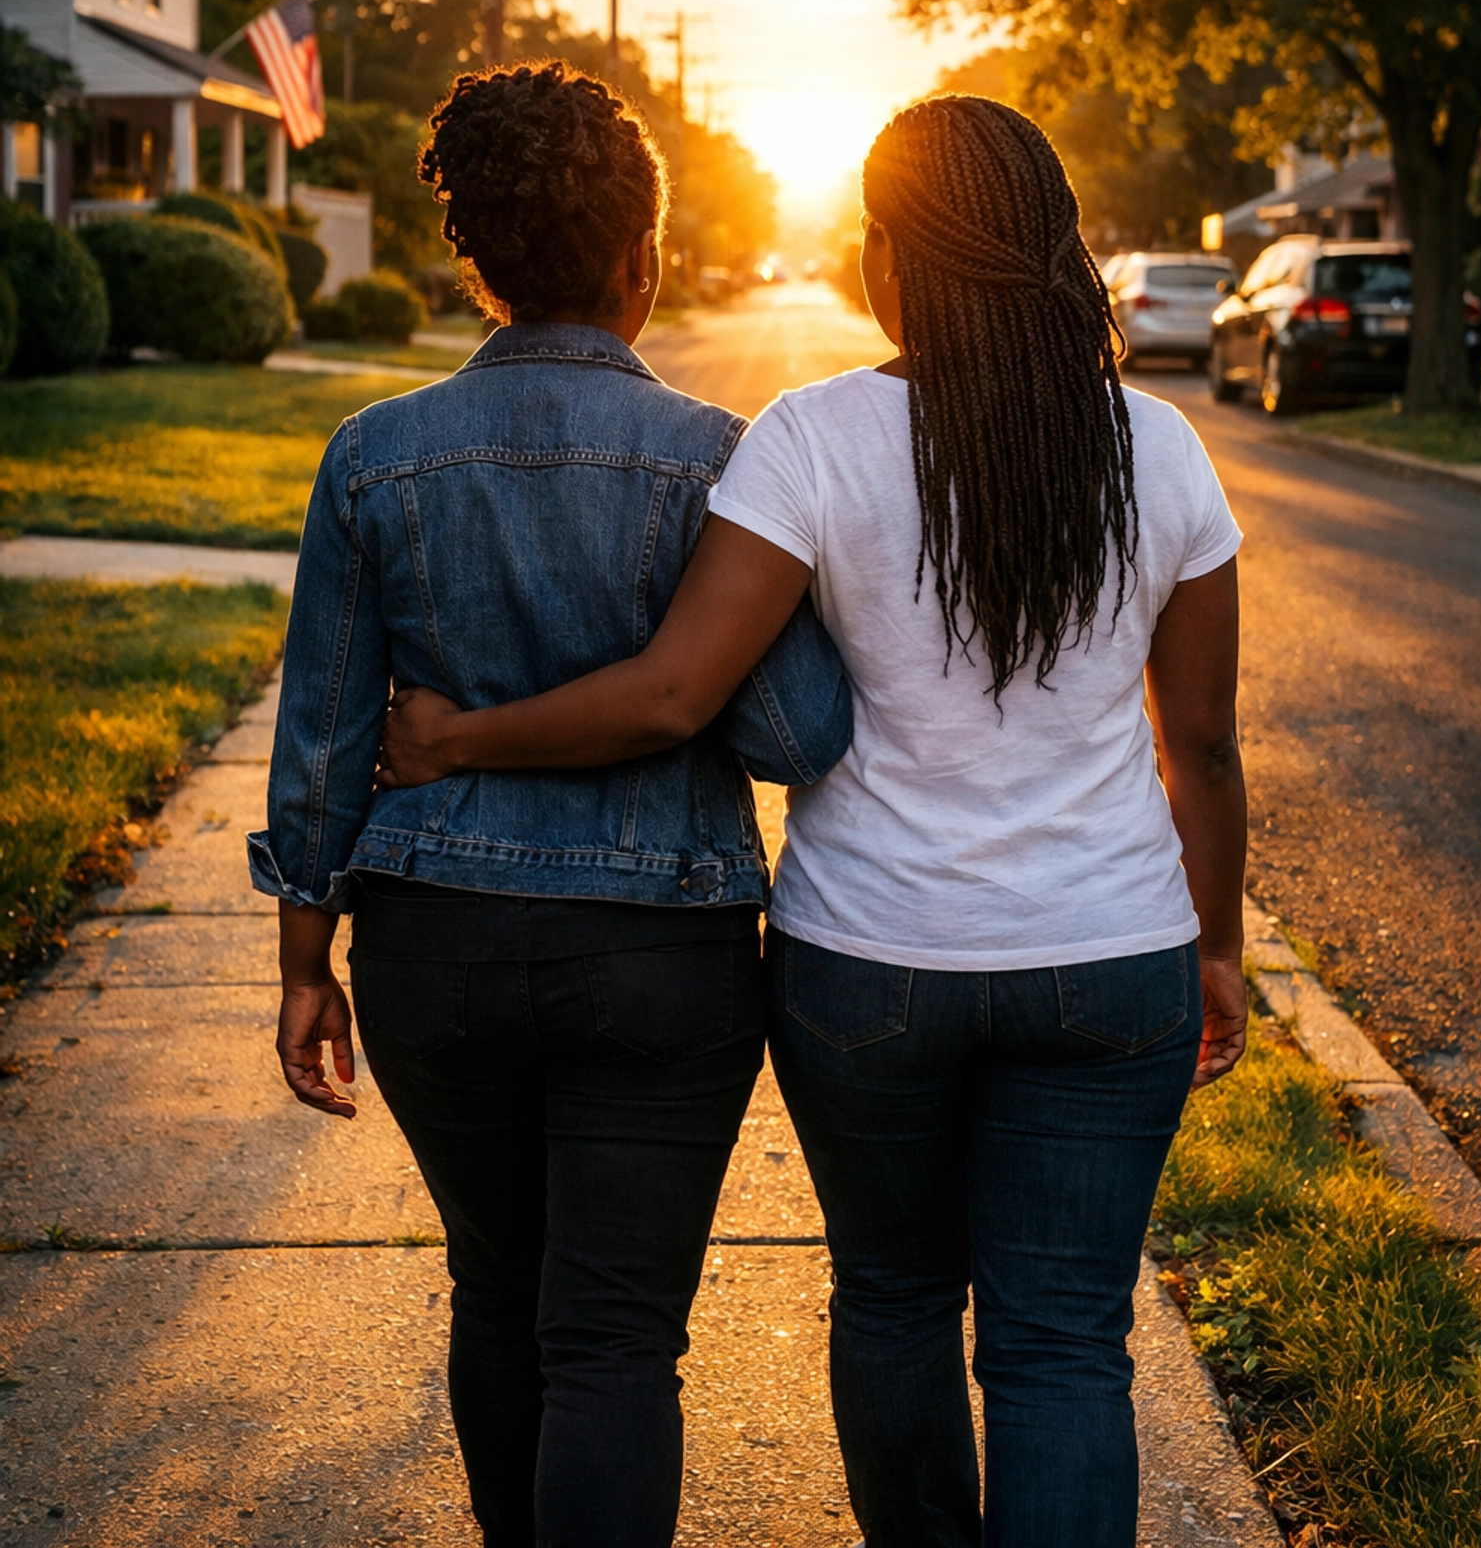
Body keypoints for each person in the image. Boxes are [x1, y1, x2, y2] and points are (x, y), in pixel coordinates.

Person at [379, 94, 1250, 1548]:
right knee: (1061, 1352)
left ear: (892, 259)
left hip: (870, 973)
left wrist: (462, 736)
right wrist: (1214, 949)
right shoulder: (1159, 450)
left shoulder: (814, 440)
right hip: (1111, 962)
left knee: (896, 1301)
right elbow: (1205, 748)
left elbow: (672, 694)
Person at [249, 62, 852, 1548]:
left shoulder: (376, 455)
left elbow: (324, 736)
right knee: (613, 1339)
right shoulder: (722, 460)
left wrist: (303, 959)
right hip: (662, 958)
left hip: (433, 952)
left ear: (476, 265)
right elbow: (794, 730)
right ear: (641, 258)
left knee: (495, 1292)